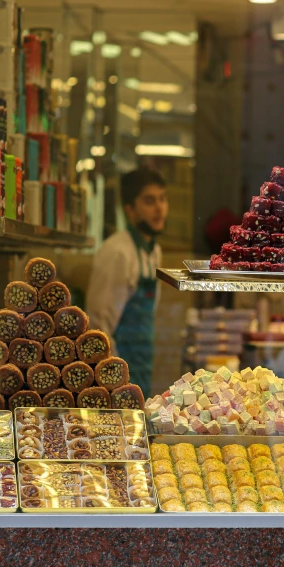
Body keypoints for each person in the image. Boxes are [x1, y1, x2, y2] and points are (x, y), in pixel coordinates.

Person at [87, 168, 168, 398]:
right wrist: (114, 378)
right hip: (116, 372)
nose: (160, 208)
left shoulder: (154, 251)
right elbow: (98, 326)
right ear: (130, 210)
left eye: (162, 199)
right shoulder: (116, 252)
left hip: (144, 363)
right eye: (149, 201)